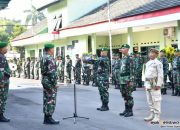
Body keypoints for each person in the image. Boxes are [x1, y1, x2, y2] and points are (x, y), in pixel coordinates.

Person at [40, 43, 59, 124]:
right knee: (51, 99)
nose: (53, 50)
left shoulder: (43, 57)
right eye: (53, 48)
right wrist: (55, 83)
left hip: (45, 79)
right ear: (50, 49)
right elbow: (52, 72)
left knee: (46, 98)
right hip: (49, 81)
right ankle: (49, 117)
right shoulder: (50, 58)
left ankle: (46, 117)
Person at [144, 48, 163, 122]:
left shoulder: (158, 63)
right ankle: (152, 114)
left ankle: (157, 116)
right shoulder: (148, 62)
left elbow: (160, 75)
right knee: (150, 100)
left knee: (156, 100)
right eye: (150, 53)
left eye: (152, 53)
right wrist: (145, 84)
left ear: (156, 54)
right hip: (148, 83)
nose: (150, 54)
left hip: (154, 83)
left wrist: (158, 84)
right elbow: (145, 74)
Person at [119, 44, 135, 117]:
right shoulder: (122, 58)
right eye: (121, 48)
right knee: (124, 95)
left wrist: (131, 80)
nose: (122, 49)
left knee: (129, 95)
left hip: (127, 79)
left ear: (127, 49)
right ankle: (126, 109)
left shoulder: (130, 58)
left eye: (123, 48)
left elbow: (132, 70)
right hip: (122, 79)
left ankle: (130, 111)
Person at [0, 42, 11, 122]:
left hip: (3, 81)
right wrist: (1, 82)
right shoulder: (1, 57)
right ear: (1, 49)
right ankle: (0, 115)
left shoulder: (2, 56)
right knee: (2, 98)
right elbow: (1, 71)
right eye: (5, 47)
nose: (7, 49)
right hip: (3, 82)